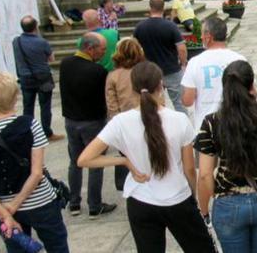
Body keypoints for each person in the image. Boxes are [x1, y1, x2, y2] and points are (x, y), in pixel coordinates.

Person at [78, 61, 215, 253]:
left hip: (140, 199)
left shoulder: (120, 122)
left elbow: (84, 159)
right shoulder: (179, 120)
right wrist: (193, 195)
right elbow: (189, 169)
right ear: (161, 84)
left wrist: (124, 160)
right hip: (177, 197)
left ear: (133, 87)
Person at [0, 73, 69, 253]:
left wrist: (6, 213)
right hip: (40, 201)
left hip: (2, 206)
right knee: (57, 246)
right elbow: (36, 173)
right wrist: (16, 203)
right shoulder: (29, 124)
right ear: (15, 97)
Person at [197, 61, 257, 252]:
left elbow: (205, 173)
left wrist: (216, 196)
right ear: (251, 85)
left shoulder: (212, 122)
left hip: (228, 202)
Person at [59, 33, 117, 218]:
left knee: (75, 162)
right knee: (95, 162)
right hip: (92, 122)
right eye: (102, 49)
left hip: (71, 121)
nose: (104, 53)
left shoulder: (65, 64)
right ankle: (94, 204)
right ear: (90, 48)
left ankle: (74, 203)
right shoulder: (97, 71)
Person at [181, 17, 246, 130]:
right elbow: (251, 93)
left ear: (208, 37)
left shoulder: (194, 63)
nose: (200, 37)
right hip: (235, 124)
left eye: (202, 34)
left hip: (206, 127)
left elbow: (187, 101)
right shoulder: (239, 59)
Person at [13, 15, 63, 142]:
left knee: (27, 106)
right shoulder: (41, 42)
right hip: (43, 77)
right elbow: (51, 59)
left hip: (25, 77)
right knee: (45, 106)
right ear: (36, 27)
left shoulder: (16, 41)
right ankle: (47, 132)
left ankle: (27, 132)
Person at [134, 0, 187, 113]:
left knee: (153, 102)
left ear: (150, 7)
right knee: (179, 102)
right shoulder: (170, 26)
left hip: (150, 71)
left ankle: (156, 125)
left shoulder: (140, 27)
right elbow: (181, 48)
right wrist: (183, 63)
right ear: (163, 7)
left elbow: (135, 48)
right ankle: (184, 126)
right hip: (172, 69)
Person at [106, 37, 146, 190]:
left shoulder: (113, 76)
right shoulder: (147, 69)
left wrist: (117, 126)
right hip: (146, 118)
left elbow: (112, 106)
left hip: (125, 122)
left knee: (128, 155)